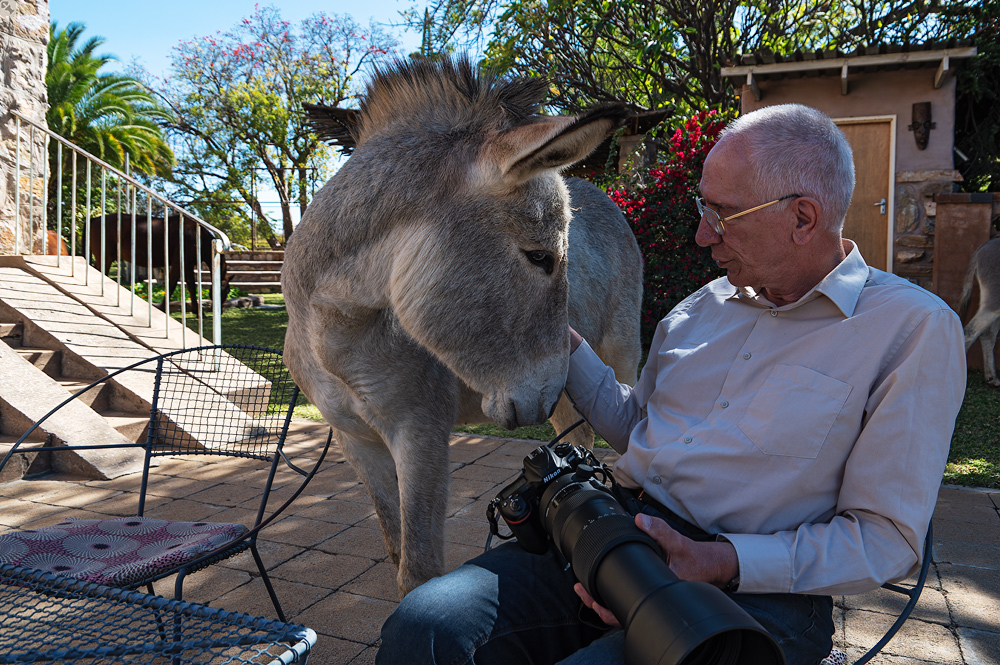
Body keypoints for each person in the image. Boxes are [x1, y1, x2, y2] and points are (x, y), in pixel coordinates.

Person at [375, 103, 967, 665]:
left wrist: (719, 560)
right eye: (702, 210)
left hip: (756, 592)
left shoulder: (911, 329)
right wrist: (558, 337)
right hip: (621, 534)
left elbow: (885, 539)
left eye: (722, 215)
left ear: (803, 218)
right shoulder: (698, 308)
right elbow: (638, 426)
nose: (703, 237)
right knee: (423, 628)